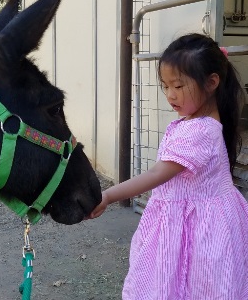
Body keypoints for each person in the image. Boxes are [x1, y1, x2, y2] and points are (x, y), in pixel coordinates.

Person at [90, 33, 248, 299]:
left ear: (211, 83)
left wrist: (108, 195)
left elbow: (157, 174)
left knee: (188, 283)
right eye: (165, 86)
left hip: (198, 229)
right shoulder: (201, 120)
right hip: (207, 219)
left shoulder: (199, 130)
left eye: (178, 85)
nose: (170, 95)